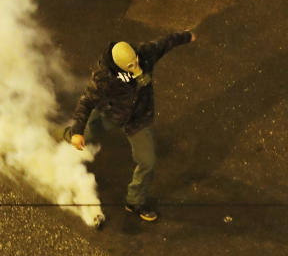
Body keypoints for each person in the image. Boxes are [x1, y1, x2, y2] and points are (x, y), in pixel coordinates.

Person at [64, 30, 195, 223]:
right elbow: (86, 102)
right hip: (110, 115)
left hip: (138, 119)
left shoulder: (145, 53)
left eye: (136, 61)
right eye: (131, 66)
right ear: (118, 66)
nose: (137, 66)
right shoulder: (103, 76)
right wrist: (76, 133)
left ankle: (135, 201)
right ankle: (59, 136)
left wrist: (186, 36)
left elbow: (165, 42)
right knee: (83, 135)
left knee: (147, 161)